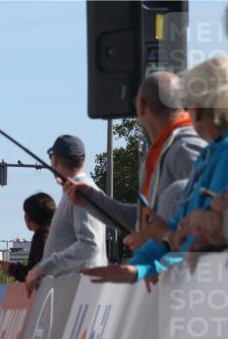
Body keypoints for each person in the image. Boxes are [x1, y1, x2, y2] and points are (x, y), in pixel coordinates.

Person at [87, 57, 228, 285]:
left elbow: (183, 231)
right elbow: (176, 227)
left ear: (200, 109)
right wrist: (138, 268)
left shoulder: (208, 154)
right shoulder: (207, 155)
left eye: (188, 104)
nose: (186, 112)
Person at [63, 71, 204, 247]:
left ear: (143, 106)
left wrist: (163, 237)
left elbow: (208, 224)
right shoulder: (164, 151)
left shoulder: (184, 149)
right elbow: (143, 222)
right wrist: (92, 199)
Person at [24, 136, 107, 292]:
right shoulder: (78, 191)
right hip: (76, 292)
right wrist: (39, 269)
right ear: (83, 160)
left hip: (79, 294)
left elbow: (89, 246)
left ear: (54, 161)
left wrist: (44, 268)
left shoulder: (81, 193)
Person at [0, 193, 56, 282]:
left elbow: (32, 274)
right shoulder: (58, 232)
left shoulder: (41, 236)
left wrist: (11, 269)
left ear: (28, 218)